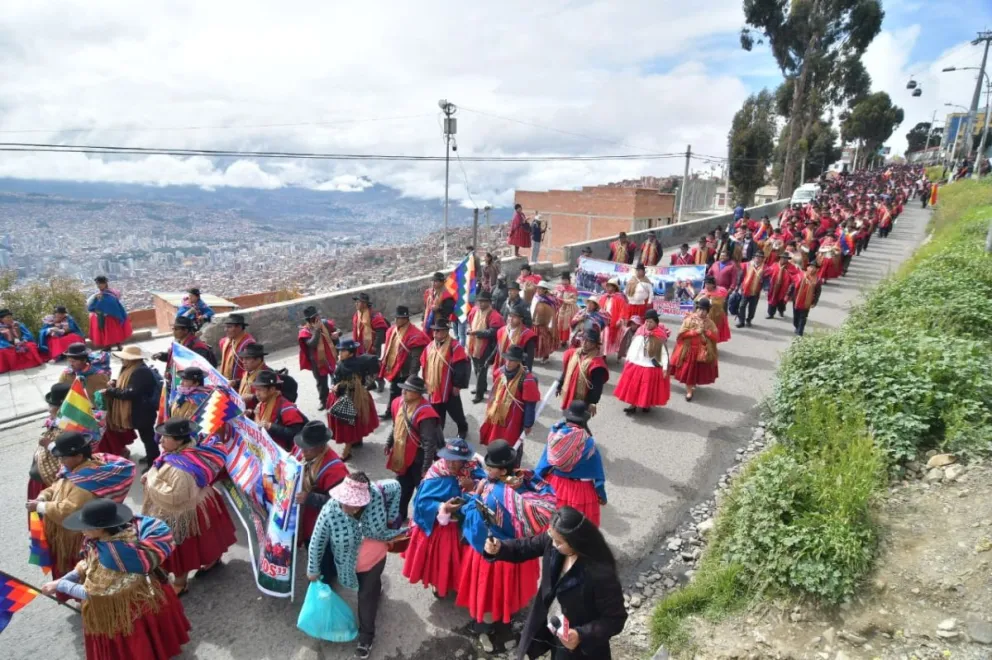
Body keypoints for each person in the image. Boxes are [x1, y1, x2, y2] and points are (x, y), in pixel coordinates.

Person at [42, 499, 191, 659]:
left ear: (101, 528)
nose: (82, 531)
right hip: (146, 595)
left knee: (136, 646)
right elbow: (89, 562)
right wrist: (63, 580)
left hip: (127, 609)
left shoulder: (113, 557)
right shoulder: (122, 532)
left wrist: (60, 585)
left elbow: (93, 593)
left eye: (86, 527)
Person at [486, 506, 627, 659]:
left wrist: (581, 635)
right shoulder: (553, 541)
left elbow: (615, 619)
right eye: (550, 535)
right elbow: (525, 547)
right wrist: (500, 548)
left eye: (559, 542)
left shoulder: (600, 573)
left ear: (575, 542)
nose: (552, 544)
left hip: (577, 642)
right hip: (549, 622)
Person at [455, 440, 556, 632]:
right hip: (518, 548)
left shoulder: (493, 496)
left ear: (502, 471)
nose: (487, 469)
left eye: (490, 467)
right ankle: (508, 613)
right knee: (510, 590)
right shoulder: (521, 481)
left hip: (496, 552)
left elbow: (475, 524)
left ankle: (485, 625)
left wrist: (473, 496)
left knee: (490, 593)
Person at [307, 472, 407, 659]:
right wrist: (313, 568)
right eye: (345, 500)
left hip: (376, 558)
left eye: (353, 503)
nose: (346, 506)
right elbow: (317, 541)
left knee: (365, 596)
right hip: (347, 565)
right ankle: (375, 590)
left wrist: (392, 518)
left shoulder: (378, 492)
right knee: (369, 589)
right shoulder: (330, 510)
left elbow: (397, 486)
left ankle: (366, 636)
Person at [141, 417, 236, 596]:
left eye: (165, 437)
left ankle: (180, 583)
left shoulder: (181, 469)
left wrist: (151, 476)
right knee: (207, 538)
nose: (160, 441)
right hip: (201, 504)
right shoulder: (182, 451)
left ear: (178, 440)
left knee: (181, 548)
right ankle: (213, 559)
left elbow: (174, 496)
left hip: (183, 511)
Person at [27, 431, 136, 580]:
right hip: (70, 530)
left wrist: (41, 507)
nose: (60, 461)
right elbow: (56, 486)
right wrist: (42, 496)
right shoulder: (73, 469)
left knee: (80, 571)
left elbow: (69, 510)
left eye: (63, 457)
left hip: (76, 538)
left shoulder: (84, 483)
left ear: (78, 456)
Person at [402, 437, 481, 598]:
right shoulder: (436, 474)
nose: (451, 465)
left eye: (456, 461)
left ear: (464, 460)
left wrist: (472, 488)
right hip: (441, 529)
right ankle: (439, 585)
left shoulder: (474, 471)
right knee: (441, 562)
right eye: (448, 459)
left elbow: (485, 491)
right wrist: (442, 507)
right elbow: (421, 503)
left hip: (465, 526)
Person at [385, 375, 445, 521]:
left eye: (409, 390)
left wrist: (425, 468)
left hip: (418, 458)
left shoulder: (426, 413)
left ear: (418, 393)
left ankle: (426, 519)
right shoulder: (397, 403)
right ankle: (400, 515)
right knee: (402, 488)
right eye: (404, 389)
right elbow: (395, 426)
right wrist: (389, 442)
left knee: (423, 492)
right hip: (403, 455)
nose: (404, 392)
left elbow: (429, 444)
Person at [535, 405, 606, 525]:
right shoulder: (588, 442)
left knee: (552, 523)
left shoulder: (555, 437)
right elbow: (597, 474)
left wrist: (535, 484)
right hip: (581, 492)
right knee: (577, 529)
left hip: (555, 485)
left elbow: (543, 465)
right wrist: (602, 496)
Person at [99, 345, 161, 464]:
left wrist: (110, 391)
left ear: (133, 359)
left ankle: (153, 461)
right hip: (138, 410)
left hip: (143, 411)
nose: (122, 360)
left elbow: (131, 393)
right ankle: (150, 456)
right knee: (146, 437)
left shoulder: (141, 371)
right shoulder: (131, 369)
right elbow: (129, 385)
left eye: (124, 358)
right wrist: (115, 383)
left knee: (148, 438)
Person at [292, 420, 349, 547]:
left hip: (317, 525)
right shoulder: (301, 449)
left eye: (308, 448)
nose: (303, 452)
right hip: (295, 515)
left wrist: (309, 497)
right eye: (302, 446)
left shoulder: (335, 470)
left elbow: (340, 502)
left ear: (321, 446)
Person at [479, 345, 541, 454]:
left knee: (512, 448)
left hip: (514, 420)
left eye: (512, 360)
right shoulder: (500, 372)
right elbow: (494, 392)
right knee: (494, 441)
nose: (508, 362)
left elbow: (530, 405)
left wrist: (528, 424)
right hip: (497, 416)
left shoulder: (527, 380)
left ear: (518, 362)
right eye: (507, 359)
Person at [326, 340, 379, 461]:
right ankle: (357, 440)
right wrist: (335, 384)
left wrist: (339, 386)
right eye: (340, 350)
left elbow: (354, 383)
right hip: (345, 395)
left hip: (352, 397)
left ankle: (347, 450)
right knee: (356, 420)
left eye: (343, 351)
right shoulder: (343, 363)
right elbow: (335, 378)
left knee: (347, 423)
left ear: (351, 353)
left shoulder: (353, 365)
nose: (340, 352)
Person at [421, 319, 470, 439]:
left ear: (446, 332)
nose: (435, 333)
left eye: (438, 331)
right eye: (434, 331)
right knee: (436, 413)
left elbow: (460, 368)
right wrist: (425, 381)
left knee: (456, 412)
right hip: (434, 387)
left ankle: (463, 428)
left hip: (449, 388)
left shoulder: (455, 346)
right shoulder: (430, 346)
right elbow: (424, 364)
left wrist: (457, 385)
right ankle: (438, 433)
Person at [614, 309, 670, 413]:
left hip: (651, 364)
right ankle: (633, 405)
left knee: (647, 387)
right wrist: (628, 359)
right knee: (634, 386)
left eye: (651, 322)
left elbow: (664, 353)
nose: (648, 324)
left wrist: (665, 367)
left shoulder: (660, 335)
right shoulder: (640, 331)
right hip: (637, 362)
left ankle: (646, 404)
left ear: (656, 323)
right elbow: (633, 346)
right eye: (646, 321)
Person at [379, 305, 430, 418]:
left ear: (406, 318)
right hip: (394, 368)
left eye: (399, 318)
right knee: (394, 392)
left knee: (407, 396)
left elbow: (416, 359)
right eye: (396, 318)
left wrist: (412, 376)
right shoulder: (392, 330)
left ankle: (408, 416)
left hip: (406, 372)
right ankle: (390, 412)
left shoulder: (415, 335)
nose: (396, 320)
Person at [27, 383, 71, 506]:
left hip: (55, 483)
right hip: (44, 475)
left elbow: (69, 454)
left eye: (53, 405)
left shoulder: (73, 425)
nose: (49, 408)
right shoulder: (59, 419)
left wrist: (49, 445)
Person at [670, 298, 719, 401]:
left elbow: (716, 338)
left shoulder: (710, 323)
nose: (702, 312)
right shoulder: (689, 320)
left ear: (708, 311)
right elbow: (681, 335)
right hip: (689, 351)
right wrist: (694, 332)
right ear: (697, 309)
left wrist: (708, 333)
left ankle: (693, 383)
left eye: (704, 310)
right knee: (689, 371)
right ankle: (689, 391)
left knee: (697, 372)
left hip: (703, 352)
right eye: (700, 309)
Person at [251, 369, 307, 451]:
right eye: (256, 389)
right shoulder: (262, 404)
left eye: (260, 390)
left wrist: (271, 426)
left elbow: (296, 433)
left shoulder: (286, 407)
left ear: (272, 390)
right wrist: (252, 414)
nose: (256, 393)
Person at [557, 328, 609, 414]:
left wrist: (593, 402)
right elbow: (566, 371)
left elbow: (597, 386)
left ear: (595, 344)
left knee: (578, 423)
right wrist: (560, 384)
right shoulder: (573, 353)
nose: (584, 343)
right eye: (583, 339)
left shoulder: (597, 364)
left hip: (583, 402)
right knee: (567, 418)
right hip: (568, 394)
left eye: (589, 341)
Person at [466, 291, 505, 403]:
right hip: (473, 344)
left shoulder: (494, 315)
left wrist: (478, 333)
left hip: (486, 346)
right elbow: (469, 322)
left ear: (489, 302)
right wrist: (470, 329)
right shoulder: (474, 311)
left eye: (484, 301)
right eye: (480, 301)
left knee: (482, 369)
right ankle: (481, 386)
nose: (481, 304)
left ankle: (479, 394)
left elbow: (495, 331)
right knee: (477, 368)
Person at [298, 305, 339, 410]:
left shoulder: (325, 323)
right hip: (316, 361)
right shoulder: (305, 332)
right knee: (321, 382)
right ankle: (323, 401)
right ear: (309, 320)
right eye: (313, 317)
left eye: (317, 316)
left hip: (331, 357)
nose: (317, 319)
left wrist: (337, 333)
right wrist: (316, 330)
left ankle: (337, 398)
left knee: (337, 378)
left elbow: (337, 330)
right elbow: (312, 344)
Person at [152, 316, 217, 373]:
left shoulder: (197, 347)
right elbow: (173, 357)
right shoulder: (179, 343)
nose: (173, 331)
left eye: (176, 329)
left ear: (185, 330)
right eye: (173, 329)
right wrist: (161, 355)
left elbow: (201, 369)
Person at [87, 275, 133, 350]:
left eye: (100, 283)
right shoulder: (98, 294)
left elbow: (113, 303)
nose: (98, 285)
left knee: (115, 331)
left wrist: (103, 304)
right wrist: (97, 301)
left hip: (112, 316)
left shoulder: (111, 293)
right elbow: (92, 306)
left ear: (105, 283)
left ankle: (118, 345)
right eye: (97, 284)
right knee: (105, 330)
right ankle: (107, 346)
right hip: (103, 316)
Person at [493, 304, 537, 373]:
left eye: (514, 317)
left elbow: (529, 358)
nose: (511, 319)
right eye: (510, 316)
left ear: (520, 319)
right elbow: (498, 348)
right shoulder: (501, 331)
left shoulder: (527, 335)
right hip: (502, 367)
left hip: (517, 369)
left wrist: (527, 372)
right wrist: (489, 359)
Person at [0, 308, 45, 373]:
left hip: (21, 342)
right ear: (1, 319)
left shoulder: (17, 324)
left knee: (30, 346)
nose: (10, 319)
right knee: (3, 352)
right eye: (7, 317)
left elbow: (27, 334)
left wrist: (24, 340)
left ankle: (31, 363)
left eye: (10, 317)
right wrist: (8, 345)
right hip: (7, 345)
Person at [229, 342, 269, 412]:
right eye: (243, 358)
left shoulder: (267, 374)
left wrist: (253, 397)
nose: (243, 362)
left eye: (247, 358)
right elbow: (246, 382)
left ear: (258, 360)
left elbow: (271, 396)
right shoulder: (248, 371)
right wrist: (236, 382)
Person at [352, 292, 388, 365]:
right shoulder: (356, 315)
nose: (356, 304)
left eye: (358, 302)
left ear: (364, 304)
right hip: (360, 347)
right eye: (355, 302)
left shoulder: (374, 316)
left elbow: (380, 332)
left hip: (372, 348)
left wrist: (375, 346)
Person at [217, 313, 255, 381]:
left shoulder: (248, 344)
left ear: (239, 327)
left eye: (229, 327)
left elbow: (253, 369)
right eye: (225, 327)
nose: (225, 330)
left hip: (242, 383)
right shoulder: (223, 342)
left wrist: (237, 382)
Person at [531, 280, 560, 365]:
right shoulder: (536, 297)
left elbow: (552, 313)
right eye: (538, 288)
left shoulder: (549, 301)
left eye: (540, 289)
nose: (538, 290)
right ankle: (533, 355)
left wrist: (550, 325)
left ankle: (545, 356)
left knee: (545, 341)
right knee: (535, 341)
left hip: (545, 324)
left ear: (545, 290)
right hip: (535, 323)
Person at [735, 251, 767, 328]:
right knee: (742, 306)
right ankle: (741, 321)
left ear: (763, 259)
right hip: (745, 290)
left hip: (755, 291)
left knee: (752, 308)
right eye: (757, 256)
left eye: (760, 257)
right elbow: (741, 276)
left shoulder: (765, 268)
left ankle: (749, 319)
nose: (758, 258)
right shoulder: (747, 265)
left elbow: (766, 280)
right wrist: (738, 285)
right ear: (754, 257)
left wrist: (766, 289)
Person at [696, 276, 731, 343]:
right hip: (703, 315)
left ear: (713, 285)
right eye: (706, 284)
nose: (707, 286)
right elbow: (696, 301)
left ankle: (711, 345)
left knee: (712, 332)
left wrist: (711, 300)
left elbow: (720, 304)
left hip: (716, 316)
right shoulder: (703, 291)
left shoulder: (720, 292)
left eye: (709, 284)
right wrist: (701, 298)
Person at [790, 262, 822, 337]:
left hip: (807, 301)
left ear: (816, 269)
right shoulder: (800, 275)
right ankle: (797, 326)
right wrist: (789, 295)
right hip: (797, 298)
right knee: (796, 315)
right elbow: (793, 285)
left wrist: (814, 302)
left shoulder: (817, 280)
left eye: (813, 267)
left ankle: (800, 332)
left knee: (803, 317)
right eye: (810, 267)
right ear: (807, 268)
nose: (811, 269)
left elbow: (818, 292)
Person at [598, 279, 627, 359]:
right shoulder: (603, 297)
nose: (607, 288)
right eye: (607, 286)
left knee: (607, 339)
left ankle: (604, 355)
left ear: (614, 288)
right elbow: (599, 307)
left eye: (610, 286)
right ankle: (601, 354)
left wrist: (620, 320)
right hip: (602, 321)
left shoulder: (620, 298)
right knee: (601, 338)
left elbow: (622, 310)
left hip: (613, 322)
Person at [765, 252, 795, 319]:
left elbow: (794, 278)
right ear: (780, 258)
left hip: (784, 288)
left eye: (785, 258)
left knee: (781, 301)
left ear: (787, 259)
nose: (783, 259)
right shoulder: (775, 265)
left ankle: (781, 311)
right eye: (782, 258)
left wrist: (790, 288)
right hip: (774, 286)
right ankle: (770, 314)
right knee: (772, 300)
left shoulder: (791, 267)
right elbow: (767, 272)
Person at [553, 272, 579, 348]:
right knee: (558, 324)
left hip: (569, 309)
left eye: (566, 280)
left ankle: (564, 340)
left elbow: (574, 300)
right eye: (563, 280)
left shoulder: (573, 289)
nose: (564, 282)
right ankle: (558, 339)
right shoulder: (558, 287)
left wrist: (563, 300)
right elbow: (554, 296)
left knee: (567, 325)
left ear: (569, 280)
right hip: (559, 308)